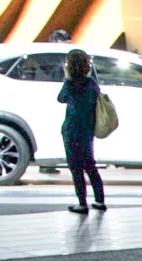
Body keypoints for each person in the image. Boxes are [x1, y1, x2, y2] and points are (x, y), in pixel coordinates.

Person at [57, 50, 105, 214]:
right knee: (90, 165)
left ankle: (82, 203)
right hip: (87, 129)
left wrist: (66, 78)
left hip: (72, 129)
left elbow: (60, 98)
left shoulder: (70, 84)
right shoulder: (91, 83)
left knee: (76, 167)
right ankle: (99, 200)